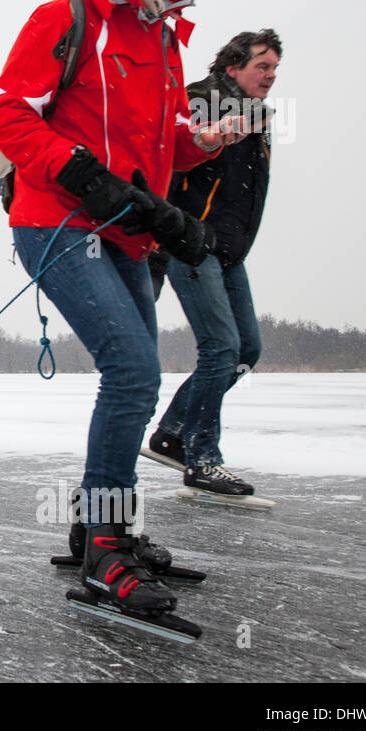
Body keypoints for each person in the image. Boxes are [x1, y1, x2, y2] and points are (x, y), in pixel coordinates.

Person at [0, 0, 251, 625]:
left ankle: (102, 522)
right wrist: (73, 170)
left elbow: (157, 136)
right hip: (58, 219)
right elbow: (7, 113)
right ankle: (106, 541)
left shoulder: (163, 34)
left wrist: (200, 141)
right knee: (132, 370)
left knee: (137, 375)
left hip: (127, 229)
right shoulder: (66, 18)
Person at [145, 30, 282, 498]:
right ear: (232, 67)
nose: (270, 76)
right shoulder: (200, 102)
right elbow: (165, 173)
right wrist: (160, 243)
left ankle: (172, 434)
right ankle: (203, 458)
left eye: (274, 69)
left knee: (246, 351)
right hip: (193, 245)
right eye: (262, 66)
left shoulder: (258, 118)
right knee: (221, 349)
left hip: (229, 253)